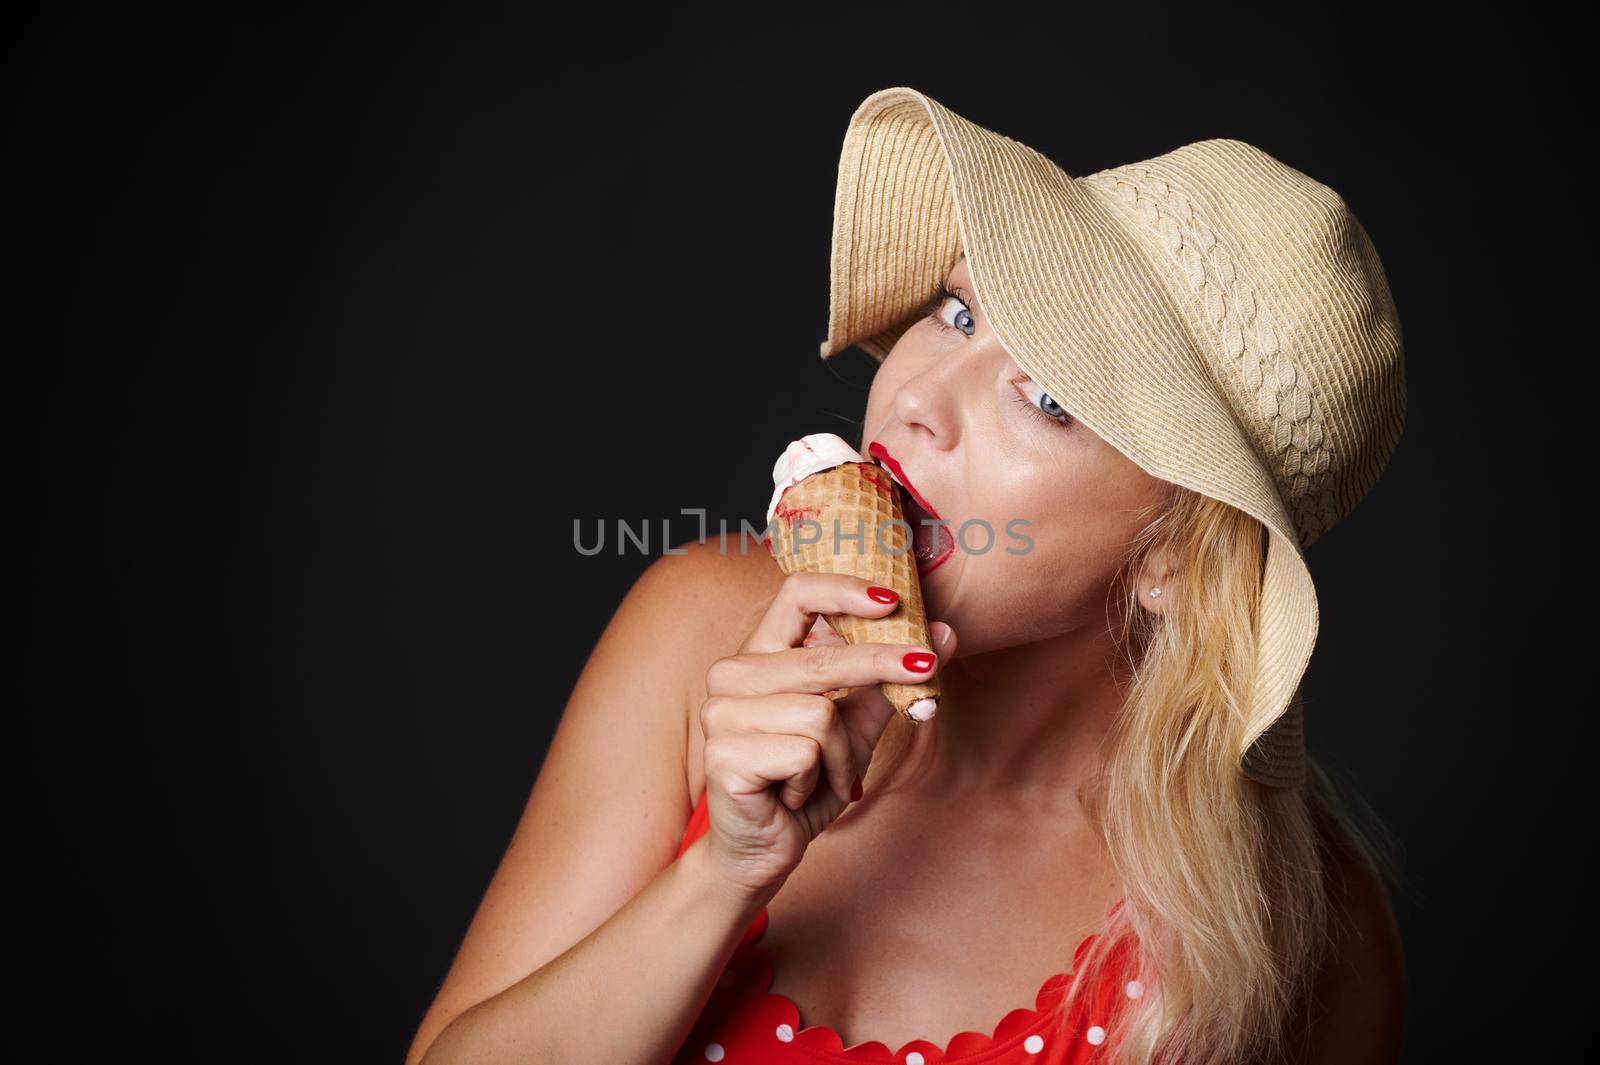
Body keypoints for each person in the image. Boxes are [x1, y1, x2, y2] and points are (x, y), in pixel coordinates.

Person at [406, 88, 1407, 1065]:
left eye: (1049, 398)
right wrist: (722, 875)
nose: (921, 395)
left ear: (1173, 557)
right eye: (960, 312)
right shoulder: (703, 629)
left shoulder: (1295, 931)